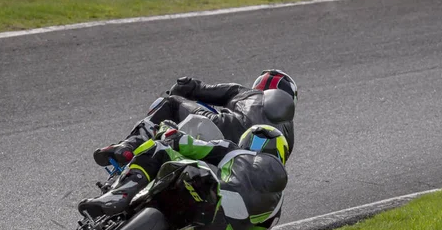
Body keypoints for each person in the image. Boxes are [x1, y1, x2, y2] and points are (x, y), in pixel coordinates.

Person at [78, 123, 289, 230]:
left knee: (157, 149)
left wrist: (169, 131)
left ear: (247, 141)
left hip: (210, 193)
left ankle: (120, 193)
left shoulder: (232, 150)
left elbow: (186, 144)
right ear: (281, 153)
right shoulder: (277, 208)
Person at [93, 69, 297, 168]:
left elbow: (196, 88)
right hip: (247, 169)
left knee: (171, 102)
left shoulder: (248, 94)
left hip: (227, 133)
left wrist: (183, 86)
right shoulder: (289, 136)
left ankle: (129, 146)